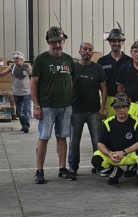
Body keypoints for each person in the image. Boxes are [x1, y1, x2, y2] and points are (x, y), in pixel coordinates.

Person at [30, 26, 75, 184]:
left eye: (60, 41)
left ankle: (62, 169)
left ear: (63, 42)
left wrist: (69, 101)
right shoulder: (41, 60)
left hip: (65, 106)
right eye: (53, 42)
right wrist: (36, 105)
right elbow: (34, 82)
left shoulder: (68, 59)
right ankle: (39, 172)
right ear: (48, 42)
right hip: (47, 107)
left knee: (62, 138)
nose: (57, 45)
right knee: (43, 138)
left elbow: (71, 81)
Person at [91, 93, 138, 186]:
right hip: (113, 155)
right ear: (114, 109)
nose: (121, 110)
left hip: (129, 154)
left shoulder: (136, 121)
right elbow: (100, 144)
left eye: (124, 107)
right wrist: (109, 154)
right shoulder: (107, 123)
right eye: (118, 107)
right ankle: (115, 173)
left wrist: (124, 152)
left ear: (129, 108)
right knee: (96, 160)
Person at [68, 42, 107, 175]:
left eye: (90, 50)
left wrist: (103, 108)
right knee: (74, 141)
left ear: (92, 53)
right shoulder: (73, 68)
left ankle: (98, 165)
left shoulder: (98, 68)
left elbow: (104, 88)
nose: (87, 52)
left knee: (97, 141)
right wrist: (68, 107)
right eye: (84, 49)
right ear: (80, 51)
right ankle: (73, 167)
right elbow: (69, 88)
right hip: (76, 111)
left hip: (94, 111)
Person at [97, 24, 132, 118]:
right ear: (109, 42)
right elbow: (99, 83)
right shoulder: (102, 61)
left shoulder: (130, 61)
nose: (116, 43)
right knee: (108, 128)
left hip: (125, 102)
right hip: (107, 100)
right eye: (113, 41)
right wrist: (103, 106)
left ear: (123, 42)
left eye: (119, 41)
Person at [0, 51, 32, 133]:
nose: (15, 60)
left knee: (26, 110)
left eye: (17, 58)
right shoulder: (12, 67)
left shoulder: (27, 66)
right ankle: (23, 124)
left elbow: (34, 75)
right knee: (19, 111)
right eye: (14, 58)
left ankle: (26, 126)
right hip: (16, 93)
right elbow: (2, 74)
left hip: (27, 92)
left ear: (21, 59)